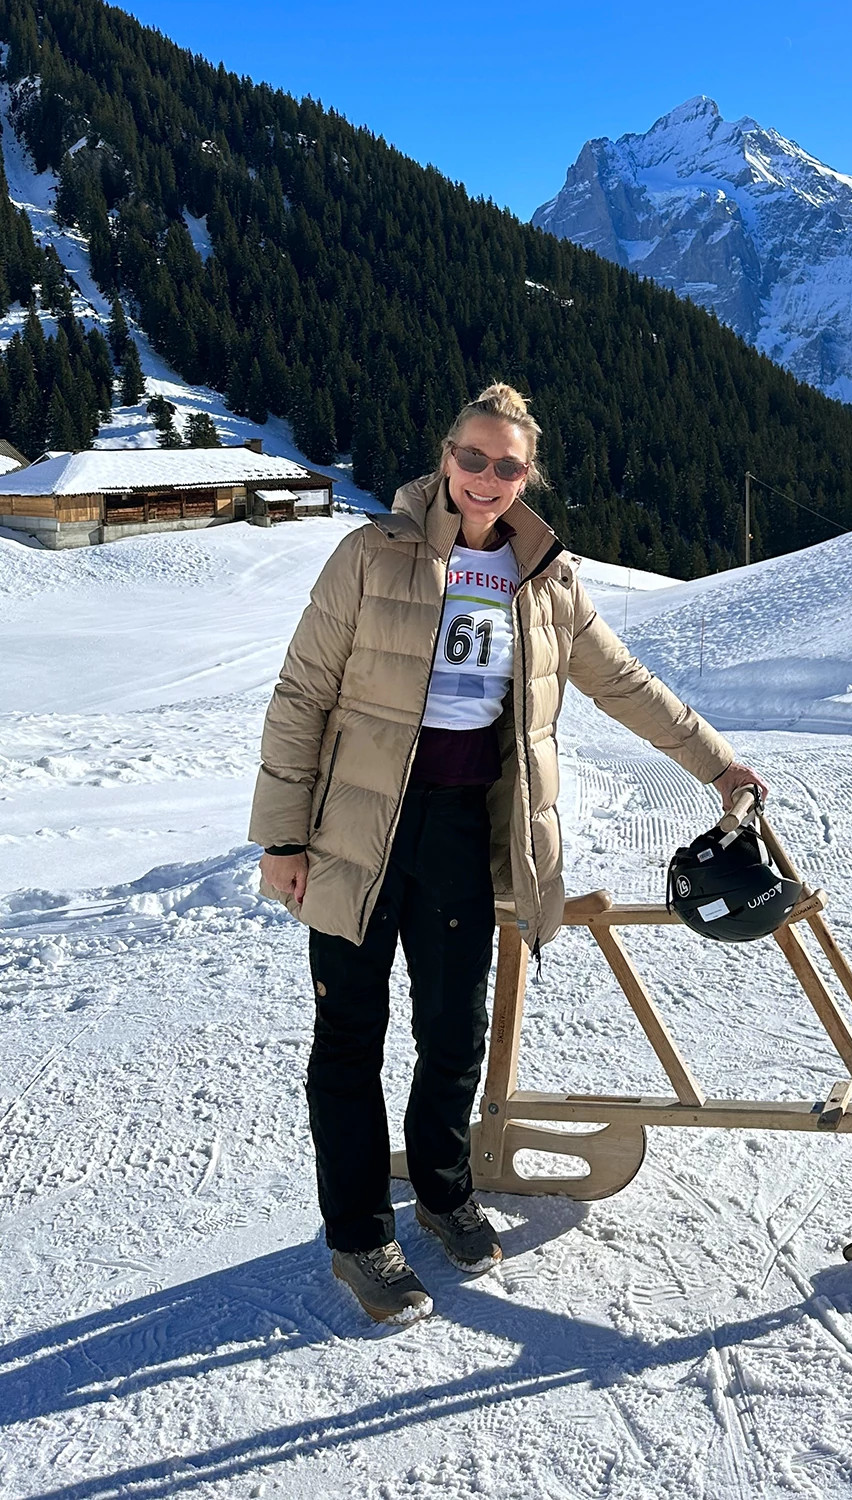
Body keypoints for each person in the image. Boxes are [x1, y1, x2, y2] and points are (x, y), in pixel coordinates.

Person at [249, 383, 768, 1325]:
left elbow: (624, 683)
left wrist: (718, 761)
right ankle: (360, 1234)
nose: (487, 478)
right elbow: (300, 697)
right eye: (473, 458)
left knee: (455, 1031)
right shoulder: (372, 556)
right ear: (445, 458)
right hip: (353, 830)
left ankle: (444, 1193)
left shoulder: (547, 579)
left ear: (528, 477)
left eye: (508, 465)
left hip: (462, 828)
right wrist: (283, 837)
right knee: (350, 1036)